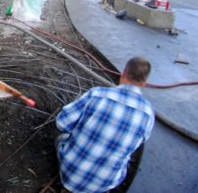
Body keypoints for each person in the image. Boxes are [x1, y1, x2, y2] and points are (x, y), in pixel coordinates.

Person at [56, 57, 155, 193]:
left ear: (124, 73)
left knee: (60, 139)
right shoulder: (148, 113)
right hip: (105, 182)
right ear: (145, 83)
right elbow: (137, 144)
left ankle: (68, 186)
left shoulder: (97, 94)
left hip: (71, 171)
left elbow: (62, 123)